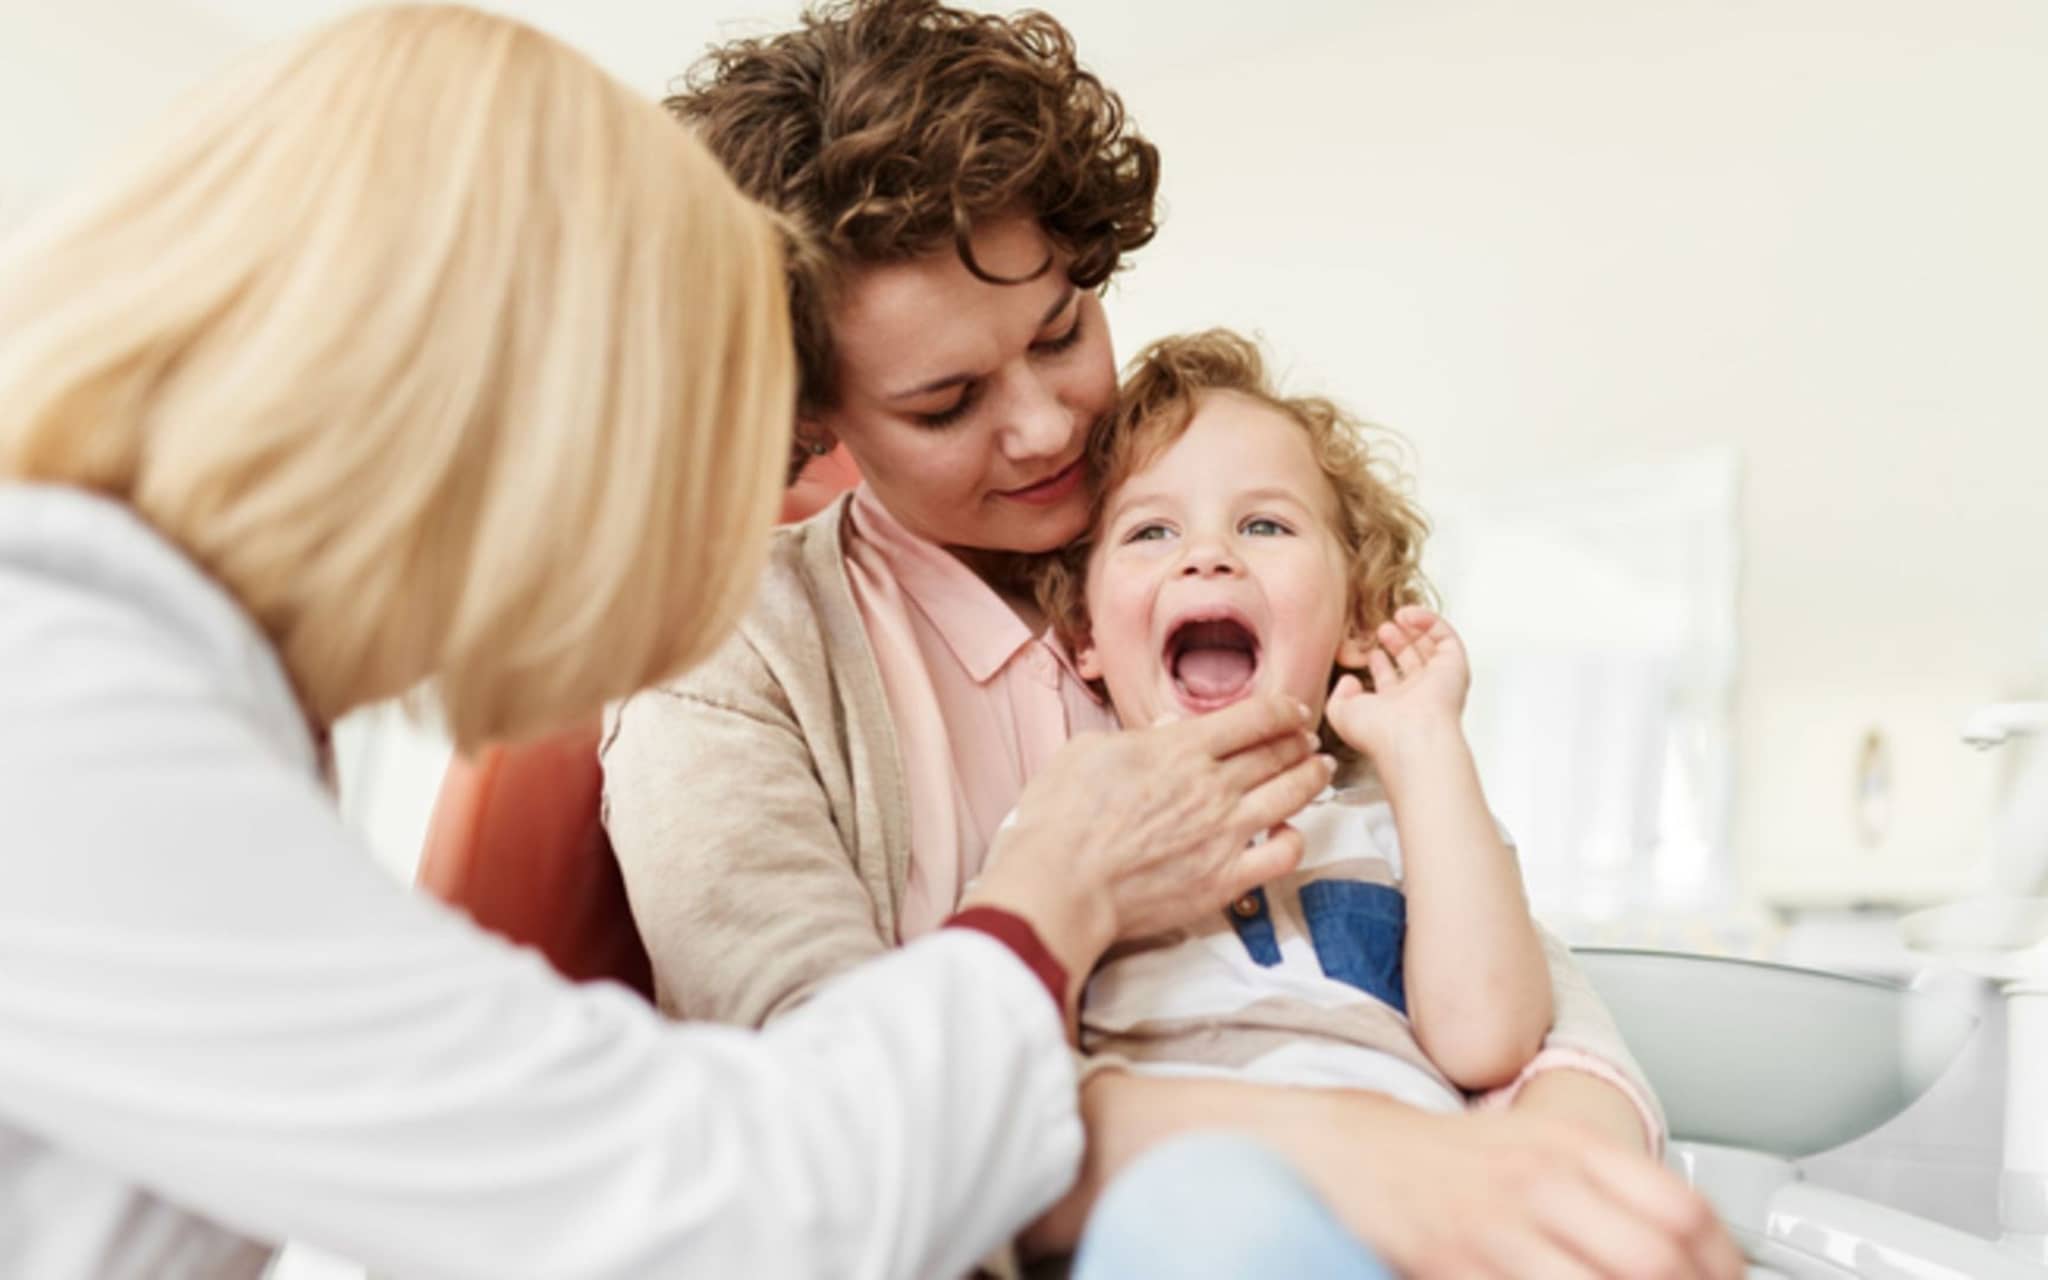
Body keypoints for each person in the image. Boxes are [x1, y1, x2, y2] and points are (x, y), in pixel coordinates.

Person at [0, 8, 1321, 1278]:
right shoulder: (62, 726)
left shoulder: (157, 696)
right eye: (653, 447)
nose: (645, 531)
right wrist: (1055, 891)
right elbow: (721, 1202)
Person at [602, 2, 1743, 1276]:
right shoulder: (727, 660)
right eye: (947, 402)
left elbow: (1434, 940)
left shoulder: (1202, 554)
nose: (1048, 429)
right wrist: (1375, 1155)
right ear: (813, 411)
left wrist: (1566, 1150)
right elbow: (830, 1108)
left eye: (1059, 333)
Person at [1034, 327, 1585, 1116]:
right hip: (1164, 1169)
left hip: (1403, 1174)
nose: (1207, 555)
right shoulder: (1061, 823)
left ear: (1357, 617)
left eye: (1265, 525)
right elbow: (1008, 1069)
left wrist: (1426, 742)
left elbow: (1488, 1040)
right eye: (1152, 531)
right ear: (1085, 633)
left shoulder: (1413, 822)